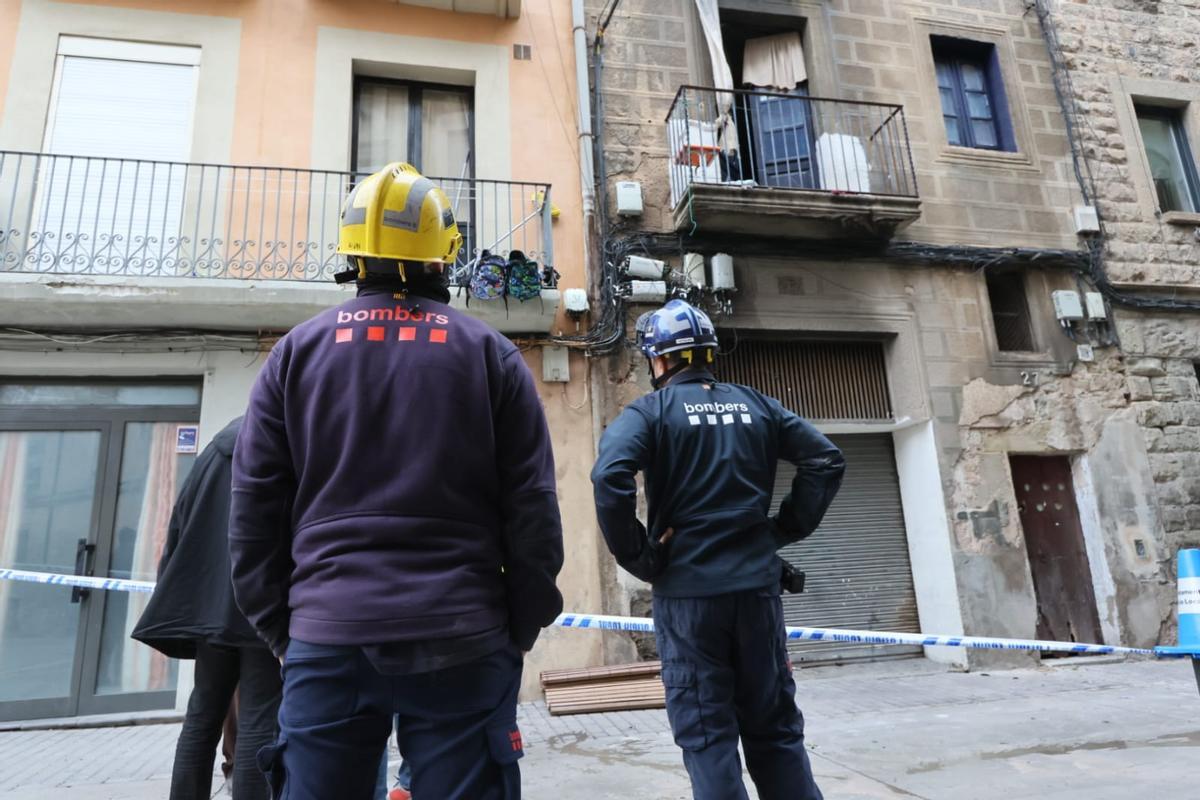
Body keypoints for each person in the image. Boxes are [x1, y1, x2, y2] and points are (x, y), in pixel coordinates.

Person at [230, 162, 565, 800]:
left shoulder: (295, 356)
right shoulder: (488, 354)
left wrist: (288, 629)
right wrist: (515, 627)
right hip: (464, 637)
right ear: (445, 255)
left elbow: (251, 518)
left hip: (328, 636)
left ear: (352, 255)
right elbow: (533, 516)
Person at [591, 299, 845, 800]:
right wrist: (781, 531)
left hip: (689, 602)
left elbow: (609, 474)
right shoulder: (756, 405)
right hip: (756, 593)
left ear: (658, 362)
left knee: (709, 739)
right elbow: (825, 461)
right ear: (708, 354)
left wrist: (640, 557)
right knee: (775, 732)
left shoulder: (650, 412)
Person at [133, 417, 281, 800]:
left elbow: (179, 521)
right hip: (260, 605)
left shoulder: (215, 451)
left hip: (208, 607)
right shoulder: (283, 445)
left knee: (201, 715)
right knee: (258, 722)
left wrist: (178, 593)